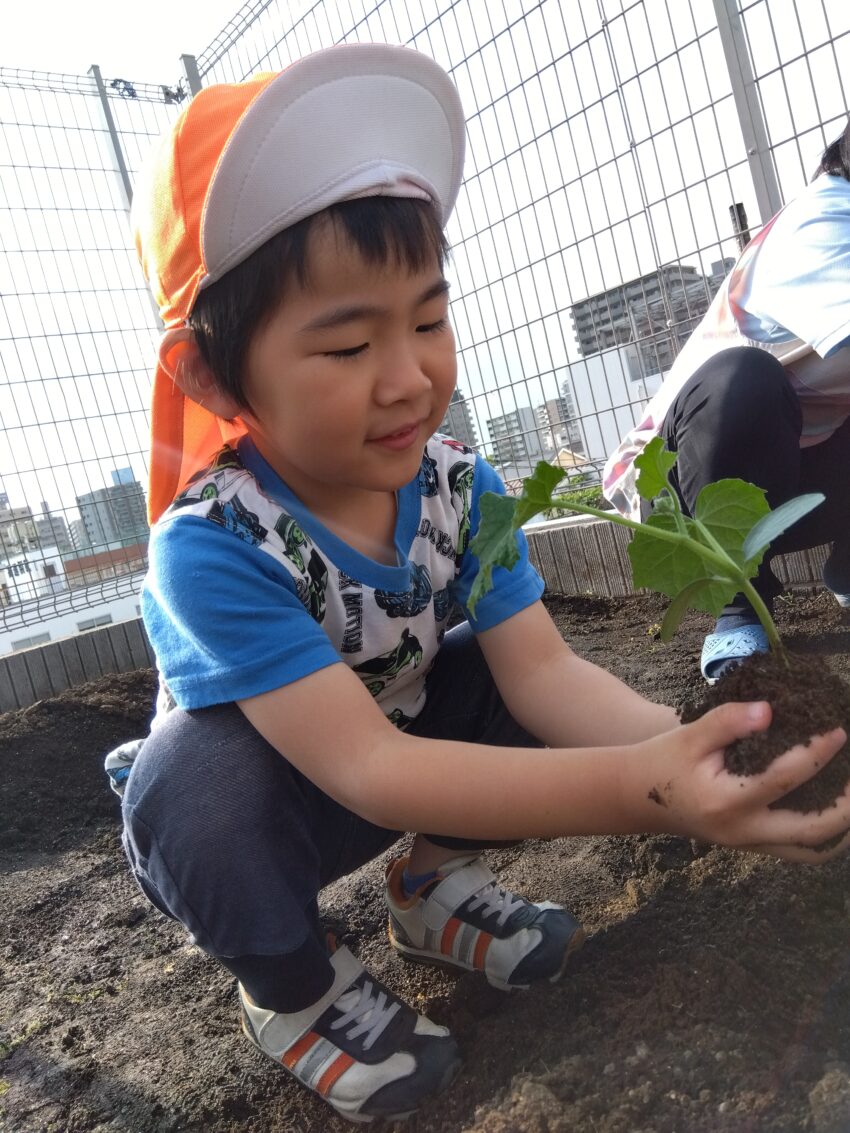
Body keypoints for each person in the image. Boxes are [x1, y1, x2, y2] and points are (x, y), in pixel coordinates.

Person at [115, 45, 850, 1124]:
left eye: (424, 318)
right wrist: (652, 796)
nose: (409, 374)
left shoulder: (459, 484)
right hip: (284, 802)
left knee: (511, 689)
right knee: (193, 789)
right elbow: (368, 768)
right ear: (216, 377)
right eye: (347, 343)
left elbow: (546, 676)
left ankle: (428, 887)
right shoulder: (214, 544)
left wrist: (705, 747)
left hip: (403, 750)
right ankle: (295, 986)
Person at [604, 120, 850, 682]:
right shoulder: (825, 221)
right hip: (680, 491)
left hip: (790, 480)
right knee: (746, 378)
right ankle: (737, 611)